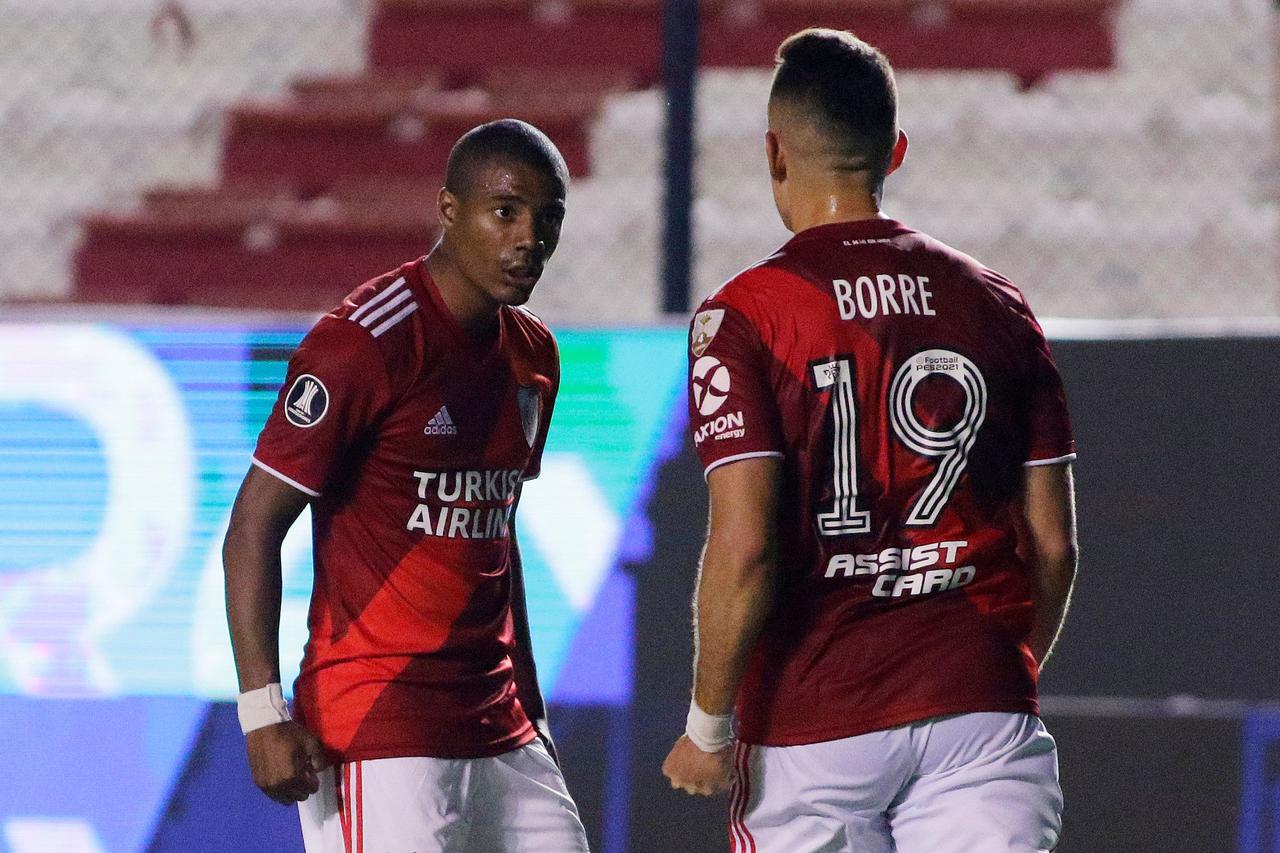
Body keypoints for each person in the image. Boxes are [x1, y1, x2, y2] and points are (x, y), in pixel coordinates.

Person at [661, 28, 1078, 853]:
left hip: (814, 725)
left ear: (775, 154)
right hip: (977, 705)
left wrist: (707, 727)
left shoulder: (745, 315)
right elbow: (1055, 544)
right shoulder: (996, 302)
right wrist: (992, 671)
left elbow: (745, 546)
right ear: (896, 150)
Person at [223, 119, 590, 853]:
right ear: (449, 210)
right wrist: (262, 712)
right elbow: (254, 526)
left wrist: (533, 707)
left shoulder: (535, 355)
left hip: (500, 728)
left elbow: (496, 532)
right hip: (378, 725)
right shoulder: (364, 342)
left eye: (548, 218)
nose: (530, 239)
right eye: (506, 211)